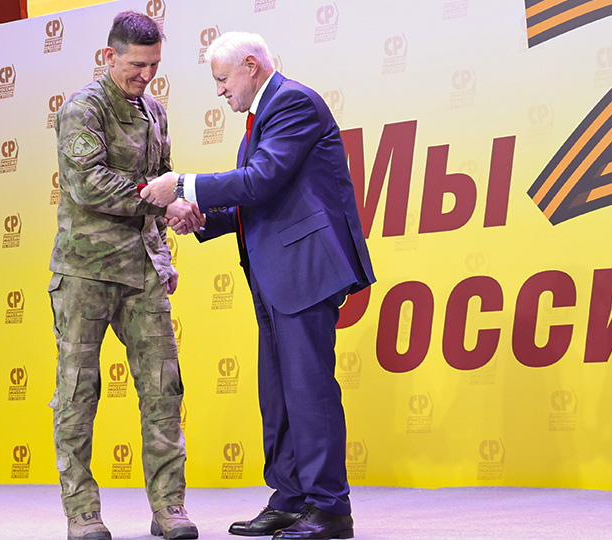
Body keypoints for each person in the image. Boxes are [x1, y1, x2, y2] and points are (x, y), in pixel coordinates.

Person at [142, 31, 375, 540]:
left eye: (223, 79)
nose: (220, 91)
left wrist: (181, 184)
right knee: (279, 393)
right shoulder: (262, 118)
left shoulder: (292, 102)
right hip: (274, 273)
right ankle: (291, 498)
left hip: (305, 270)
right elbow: (258, 200)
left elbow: (262, 179)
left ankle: (330, 508)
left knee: (309, 390)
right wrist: (202, 218)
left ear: (251, 65)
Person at [48, 11, 203, 540]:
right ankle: (82, 514)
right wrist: (159, 202)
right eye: (137, 64)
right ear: (110, 56)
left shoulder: (155, 110)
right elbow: (88, 185)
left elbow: (161, 181)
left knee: (164, 390)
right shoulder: (83, 109)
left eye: (154, 64)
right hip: (84, 273)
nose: (146, 74)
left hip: (142, 272)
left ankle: (169, 508)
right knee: (78, 393)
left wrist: (164, 253)